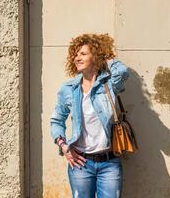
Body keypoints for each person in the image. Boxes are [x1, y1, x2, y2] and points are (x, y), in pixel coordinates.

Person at [50, 33, 129, 198]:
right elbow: (56, 121)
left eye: (83, 54)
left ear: (95, 56)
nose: (77, 58)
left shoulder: (109, 84)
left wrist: (103, 59)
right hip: (81, 163)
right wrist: (64, 146)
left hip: (109, 163)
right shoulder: (69, 89)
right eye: (75, 54)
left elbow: (122, 71)